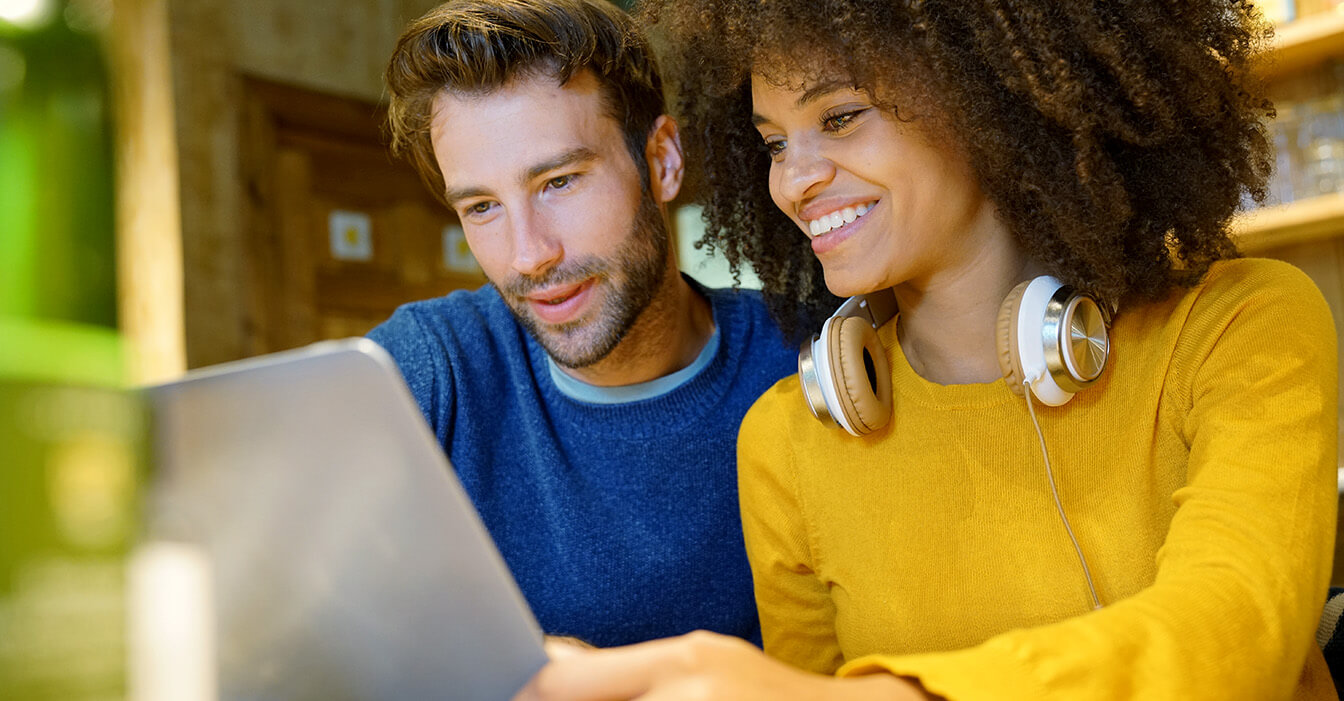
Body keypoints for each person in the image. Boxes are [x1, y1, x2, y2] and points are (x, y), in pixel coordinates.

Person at [510, 0, 1340, 698]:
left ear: (996, 101)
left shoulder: (1241, 328)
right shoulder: (789, 441)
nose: (794, 180)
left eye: (840, 117)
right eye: (773, 142)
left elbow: (1238, 630)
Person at [368, 0, 797, 649]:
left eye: (560, 181)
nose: (528, 254)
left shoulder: (806, 353)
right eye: (482, 206)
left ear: (663, 160)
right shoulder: (434, 366)